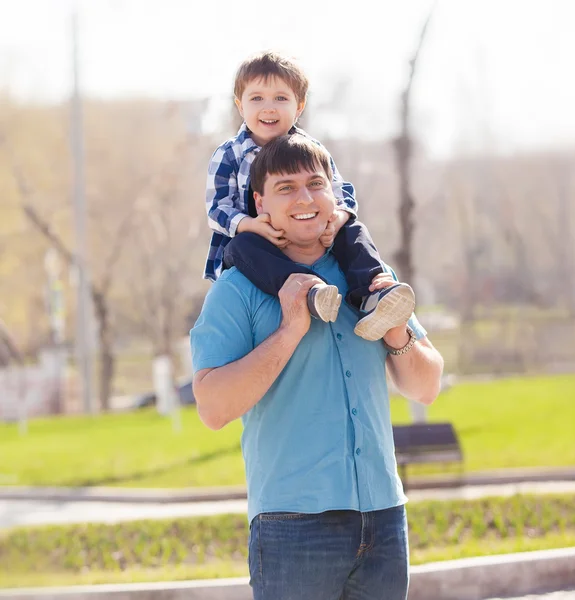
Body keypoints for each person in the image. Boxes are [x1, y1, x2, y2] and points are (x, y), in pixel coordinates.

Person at [191, 134, 444, 600]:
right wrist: (289, 329)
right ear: (260, 202)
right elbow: (212, 408)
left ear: (335, 194)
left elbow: (426, 386)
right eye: (286, 188)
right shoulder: (236, 290)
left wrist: (396, 332)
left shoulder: (368, 277)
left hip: (385, 517)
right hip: (293, 527)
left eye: (315, 184)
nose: (305, 198)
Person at [204, 50, 415, 341]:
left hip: (309, 230)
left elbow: (342, 193)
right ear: (240, 106)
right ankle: (308, 293)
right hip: (257, 241)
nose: (269, 108)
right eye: (257, 99)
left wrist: (337, 219)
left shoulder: (310, 149)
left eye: (281, 98)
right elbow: (217, 208)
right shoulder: (229, 153)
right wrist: (250, 224)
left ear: (299, 106)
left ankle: (372, 294)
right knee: (241, 247)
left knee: (354, 230)